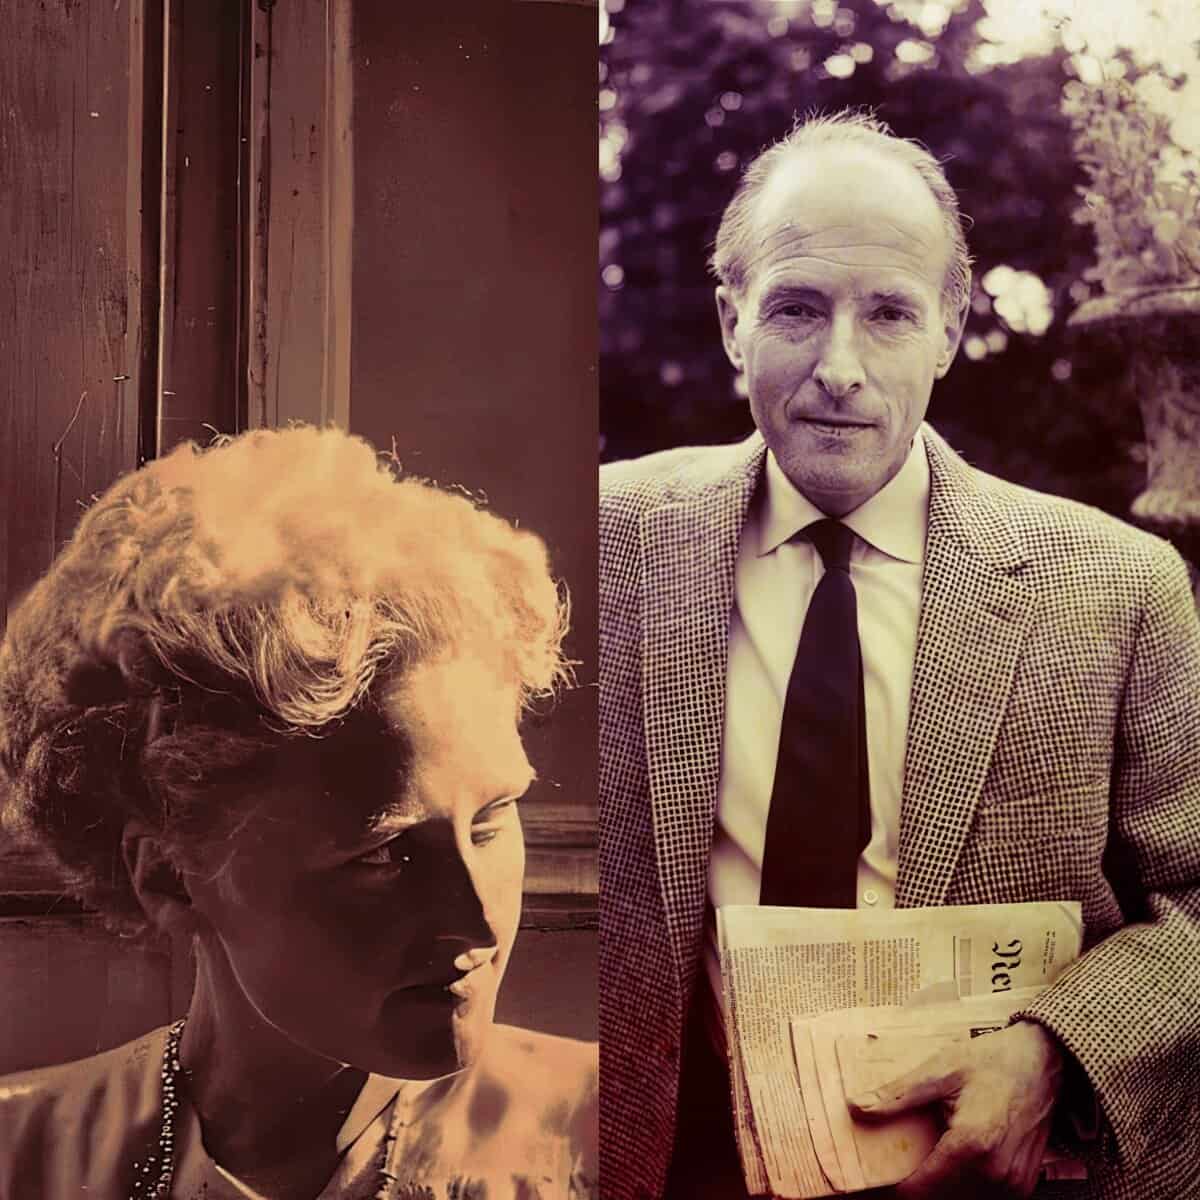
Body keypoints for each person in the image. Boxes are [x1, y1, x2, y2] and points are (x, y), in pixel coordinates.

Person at [599, 111, 1200, 1200]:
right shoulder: (601, 539)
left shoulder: (1122, 585)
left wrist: (1054, 1052)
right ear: (732, 322)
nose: (841, 368)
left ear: (949, 331)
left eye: (888, 313)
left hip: (987, 1176)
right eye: (796, 308)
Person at [0, 425, 598, 1200]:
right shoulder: (22, 1158)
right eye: (381, 854)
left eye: (490, 821)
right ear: (170, 876)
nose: (479, 922)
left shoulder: (599, 1136)